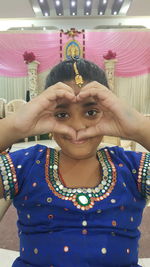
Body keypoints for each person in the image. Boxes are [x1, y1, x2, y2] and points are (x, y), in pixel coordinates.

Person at [0, 58, 150, 267]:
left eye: (90, 112)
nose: (77, 125)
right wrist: (13, 126)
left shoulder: (132, 166)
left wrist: (141, 128)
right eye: (62, 114)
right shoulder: (26, 164)